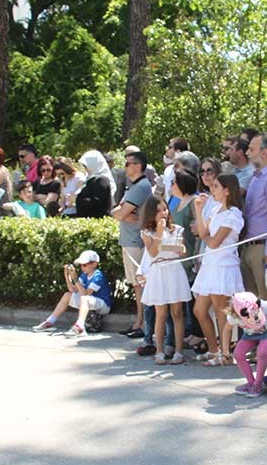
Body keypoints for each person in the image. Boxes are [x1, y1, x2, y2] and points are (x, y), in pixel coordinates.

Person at [192, 173, 245, 366]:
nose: (212, 189)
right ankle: (214, 350)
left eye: (216, 186)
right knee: (199, 310)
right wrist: (199, 209)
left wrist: (207, 238)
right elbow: (202, 232)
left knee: (221, 310)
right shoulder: (215, 209)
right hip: (210, 265)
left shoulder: (233, 214)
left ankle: (225, 353)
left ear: (227, 190)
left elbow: (214, 242)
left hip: (223, 266)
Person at [138, 196, 191, 364]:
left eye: (165, 209)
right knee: (161, 313)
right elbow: (153, 252)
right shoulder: (147, 232)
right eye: (158, 211)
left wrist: (177, 249)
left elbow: (182, 249)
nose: (163, 213)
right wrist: (159, 234)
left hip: (174, 270)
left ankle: (178, 351)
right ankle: (159, 350)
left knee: (177, 312)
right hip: (158, 271)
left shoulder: (177, 229)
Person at [113, 152, 154, 338]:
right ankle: (140, 321)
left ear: (138, 166)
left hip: (136, 241)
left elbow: (121, 213)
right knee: (136, 285)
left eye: (128, 164)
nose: (125, 167)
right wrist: (120, 212)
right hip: (130, 240)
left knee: (140, 284)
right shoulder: (134, 186)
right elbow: (117, 211)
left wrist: (121, 213)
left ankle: (144, 325)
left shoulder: (141, 186)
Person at [239, 133, 267, 299]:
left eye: (251, 149)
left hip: (262, 248)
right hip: (248, 246)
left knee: (265, 300)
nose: (247, 153)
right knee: (249, 303)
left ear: (264, 153)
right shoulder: (256, 177)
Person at [34, 250, 115, 337]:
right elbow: (72, 290)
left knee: (85, 298)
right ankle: (50, 321)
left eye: (85, 265)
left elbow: (86, 293)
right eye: (81, 265)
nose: (82, 267)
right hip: (89, 302)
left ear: (94, 264)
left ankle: (79, 327)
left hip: (103, 305)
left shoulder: (98, 276)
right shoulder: (84, 274)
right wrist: (67, 275)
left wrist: (75, 278)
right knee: (67, 295)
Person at [228, 291, 267, 397]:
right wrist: (225, 351)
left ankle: (258, 384)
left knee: (262, 352)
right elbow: (227, 329)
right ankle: (251, 382)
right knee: (238, 354)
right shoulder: (234, 317)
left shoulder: (263, 306)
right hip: (250, 334)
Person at [74, 150, 114, 218]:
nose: (85, 168)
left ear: (93, 164)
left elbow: (97, 202)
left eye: (86, 165)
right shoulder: (90, 179)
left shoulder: (101, 180)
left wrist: (77, 199)